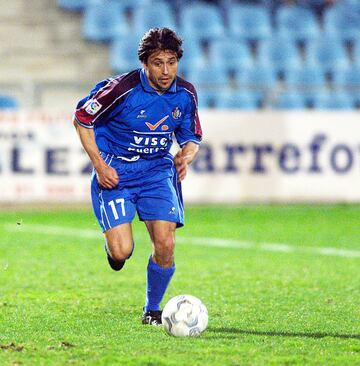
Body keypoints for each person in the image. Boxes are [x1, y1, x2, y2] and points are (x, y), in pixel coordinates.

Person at [73, 27, 202, 326]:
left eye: (171, 61)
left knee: (166, 244)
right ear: (145, 62)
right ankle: (114, 251)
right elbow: (82, 119)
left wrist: (186, 155)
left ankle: (153, 310)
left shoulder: (185, 94)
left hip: (156, 171)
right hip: (116, 173)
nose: (166, 70)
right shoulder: (121, 89)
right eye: (158, 62)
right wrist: (99, 165)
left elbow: (191, 136)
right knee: (122, 251)